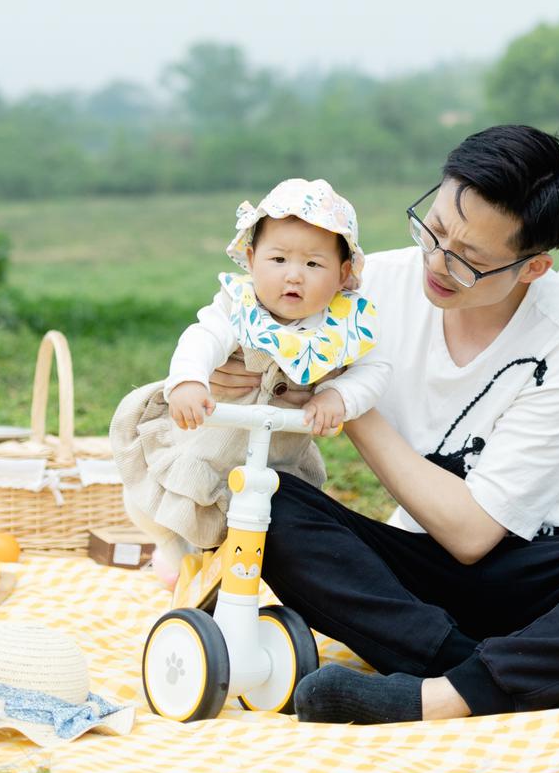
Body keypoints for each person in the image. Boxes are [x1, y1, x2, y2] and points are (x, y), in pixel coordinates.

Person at [211, 125, 559, 723]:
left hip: (545, 586)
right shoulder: (365, 293)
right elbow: (250, 318)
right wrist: (233, 369)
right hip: (417, 579)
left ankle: (438, 696)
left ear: (533, 267)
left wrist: (344, 395)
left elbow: (473, 534)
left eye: (469, 260)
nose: (437, 263)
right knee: (265, 500)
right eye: (433, 230)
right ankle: (527, 684)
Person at [110, 178, 390, 585]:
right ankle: (170, 548)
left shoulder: (343, 326)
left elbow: (375, 370)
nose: (294, 276)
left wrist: (339, 396)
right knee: (153, 503)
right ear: (252, 258)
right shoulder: (240, 306)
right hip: (208, 442)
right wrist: (189, 380)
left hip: (277, 458)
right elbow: (204, 337)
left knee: (266, 528)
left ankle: (234, 581)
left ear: (343, 273)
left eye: (313, 264)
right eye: (278, 259)